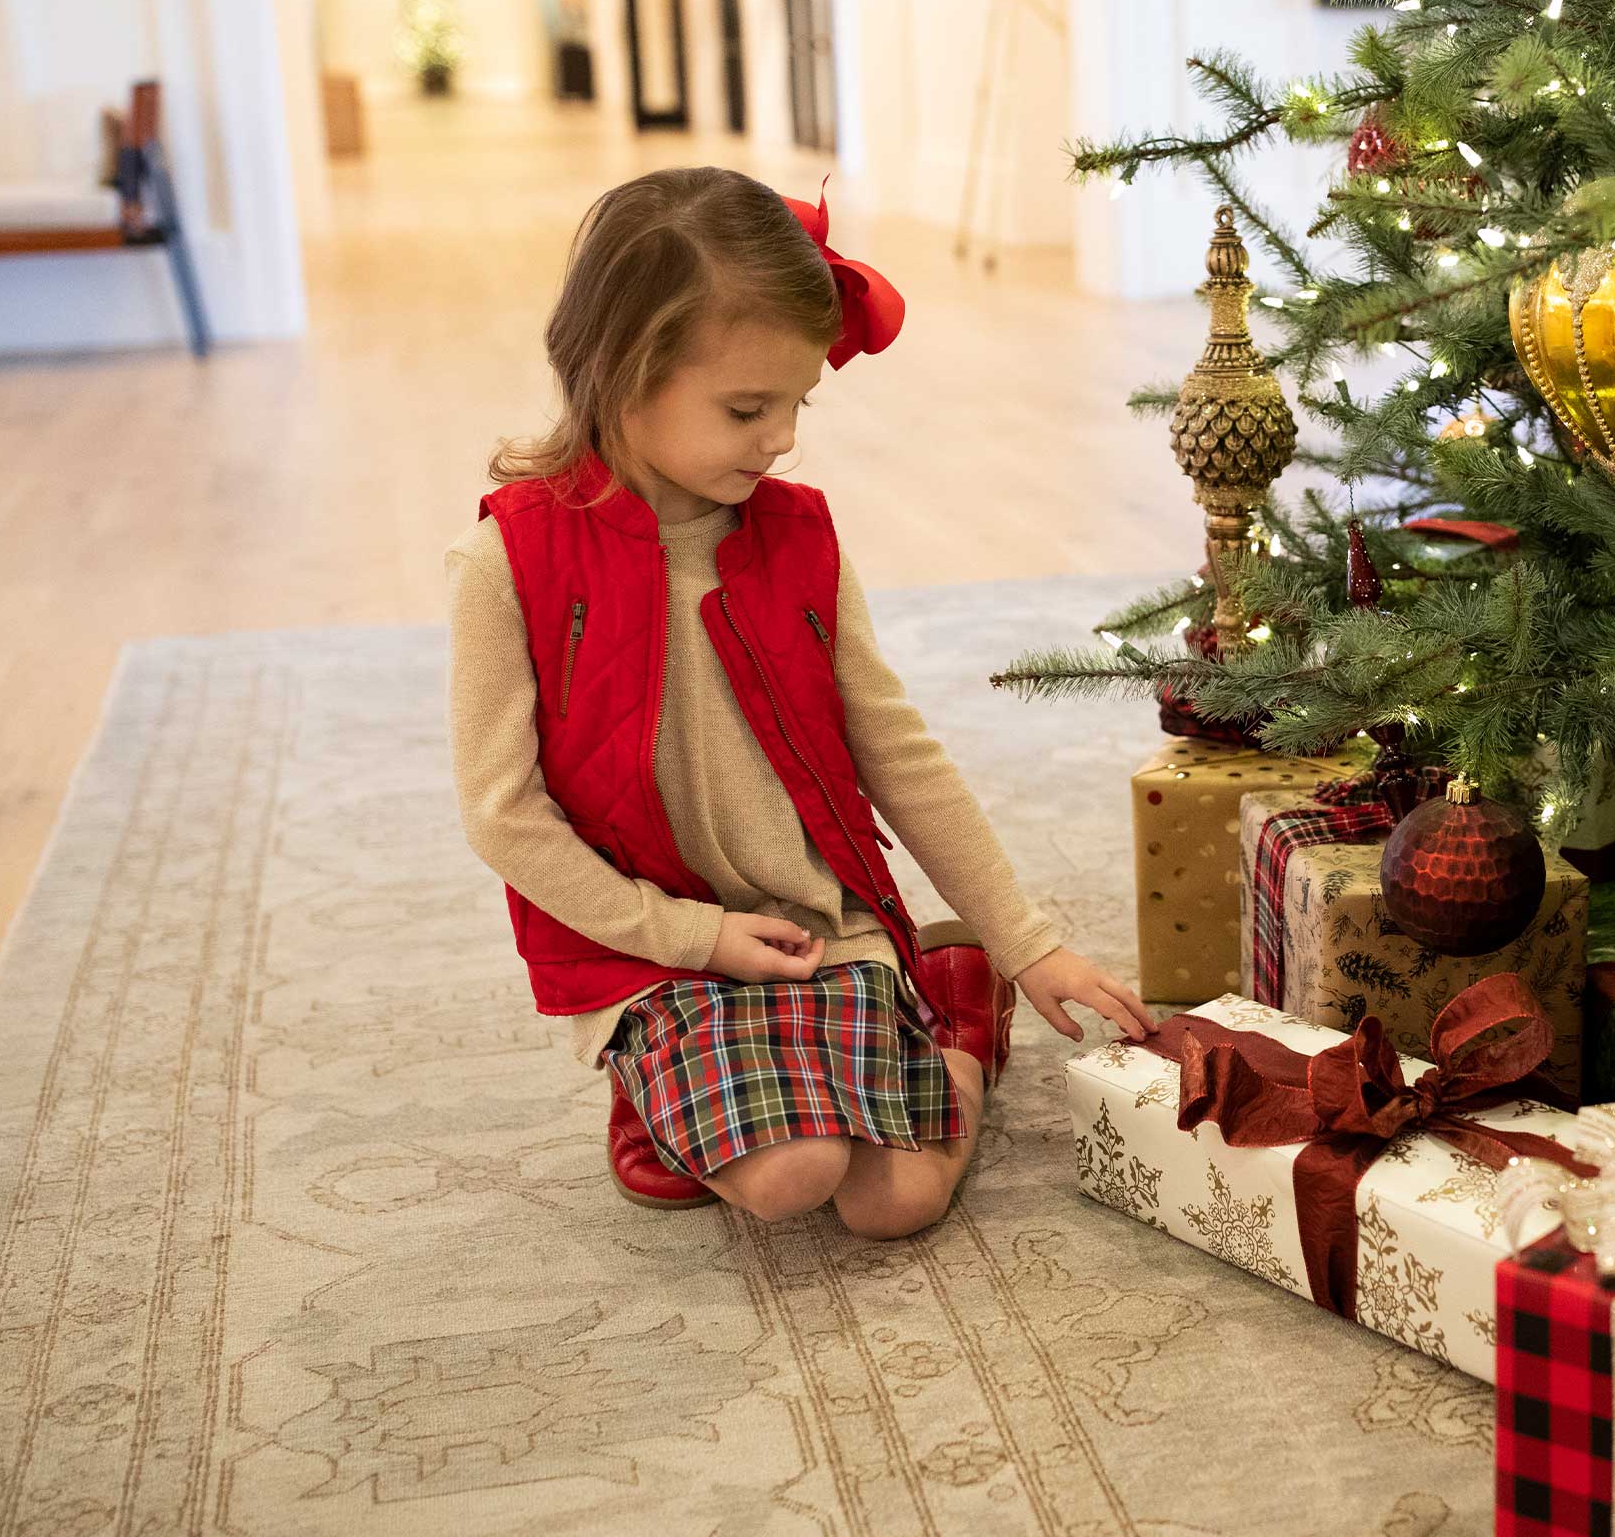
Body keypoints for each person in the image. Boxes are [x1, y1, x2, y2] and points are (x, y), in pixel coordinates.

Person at [446, 165, 1153, 1235]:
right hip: (652, 950)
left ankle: (959, 1020)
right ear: (625, 374)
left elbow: (896, 753)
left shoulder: (800, 537)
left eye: (795, 403)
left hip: (814, 929)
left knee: (896, 1203)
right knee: (790, 1175)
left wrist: (1025, 940)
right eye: (747, 407)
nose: (782, 437)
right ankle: (658, 1076)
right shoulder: (511, 560)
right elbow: (503, 816)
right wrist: (689, 937)